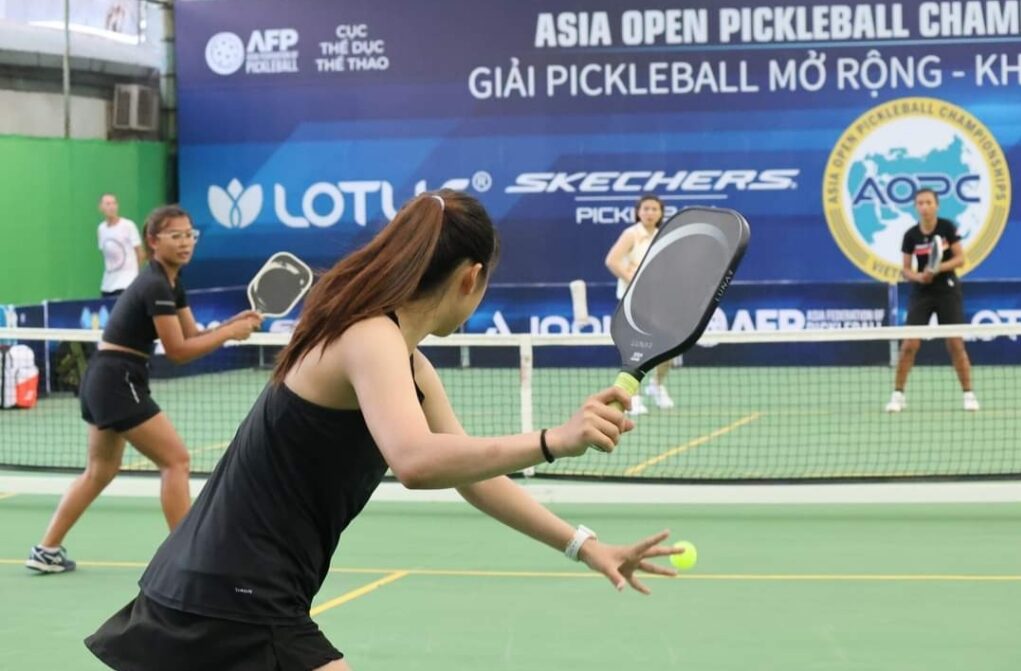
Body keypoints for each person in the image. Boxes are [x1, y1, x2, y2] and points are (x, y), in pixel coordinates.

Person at [84, 190, 681, 671]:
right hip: (237, 595)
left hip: (215, 584)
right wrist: (555, 439)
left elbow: (474, 477)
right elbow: (416, 462)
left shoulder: (402, 357)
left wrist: (586, 546)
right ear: (470, 278)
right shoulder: (370, 337)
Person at [27, 205, 262, 574]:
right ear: (153, 241)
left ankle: (46, 549)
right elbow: (179, 351)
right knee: (176, 460)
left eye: (190, 235)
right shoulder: (155, 285)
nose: (185, 243)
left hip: (105, 378)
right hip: (117, 379)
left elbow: (194, 335)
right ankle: (186, 555)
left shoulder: (171, 281)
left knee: (100, 471)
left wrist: (232, 324)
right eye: (176, 236)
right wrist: (229, 334)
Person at [886, 188, 979, 413]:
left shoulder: (947, 228)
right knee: (909, 344)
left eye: (928, 202)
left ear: (936, 205)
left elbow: (960, 259)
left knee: (955, 344)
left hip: (947, 290)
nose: (924, 207)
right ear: (916, 207)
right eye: (920, 203)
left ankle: (968, 394)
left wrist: (936, 268)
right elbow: (906, 270)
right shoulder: (911, 235)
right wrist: (919, 276)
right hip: (922, 292)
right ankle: (898, 395)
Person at [605, 194, 675, 414]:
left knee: (669, 346)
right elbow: (612, 260)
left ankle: (656, 386)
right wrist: (633, 281)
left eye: (654, 209)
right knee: (636, 349)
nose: (650, 213)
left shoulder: (663, 235)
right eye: (645, 209)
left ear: (661, 213)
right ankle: (632, 397)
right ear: (638, 212)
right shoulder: (631, 234)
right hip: (632, 302)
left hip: (659, 302)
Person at [97, 193, 145, 298]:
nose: (112, 207)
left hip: (127, 283)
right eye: (108, 204)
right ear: (101, 207)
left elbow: (140, 253)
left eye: (114, 203)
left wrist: (135, 277)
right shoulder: (101, 229)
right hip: (108, 285)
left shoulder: (128, 225)